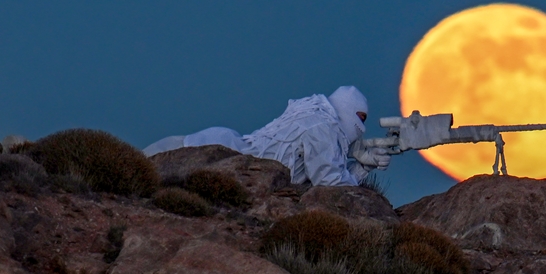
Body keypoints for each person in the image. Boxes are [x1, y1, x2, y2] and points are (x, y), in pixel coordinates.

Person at [143, 85, 389, 186]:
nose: (361, 128)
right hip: (227, 153)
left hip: (222, 143)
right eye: (361, 119)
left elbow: (316, 167)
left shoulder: (311, 110)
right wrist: (362, 170)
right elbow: (329, 181)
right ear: (348, 112)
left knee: (142, 164)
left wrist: (359, 163)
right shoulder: (322, 128)